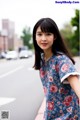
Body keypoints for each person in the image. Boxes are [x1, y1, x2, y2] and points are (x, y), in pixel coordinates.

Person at [32, 18, 80, 120]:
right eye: (40, 34)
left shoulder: (61, 60)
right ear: (35, 37)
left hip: (68, 116)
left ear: (55, 37)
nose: (43, 38)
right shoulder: (42, 59)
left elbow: (77, 87)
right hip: (50, 115)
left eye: (48, 34)